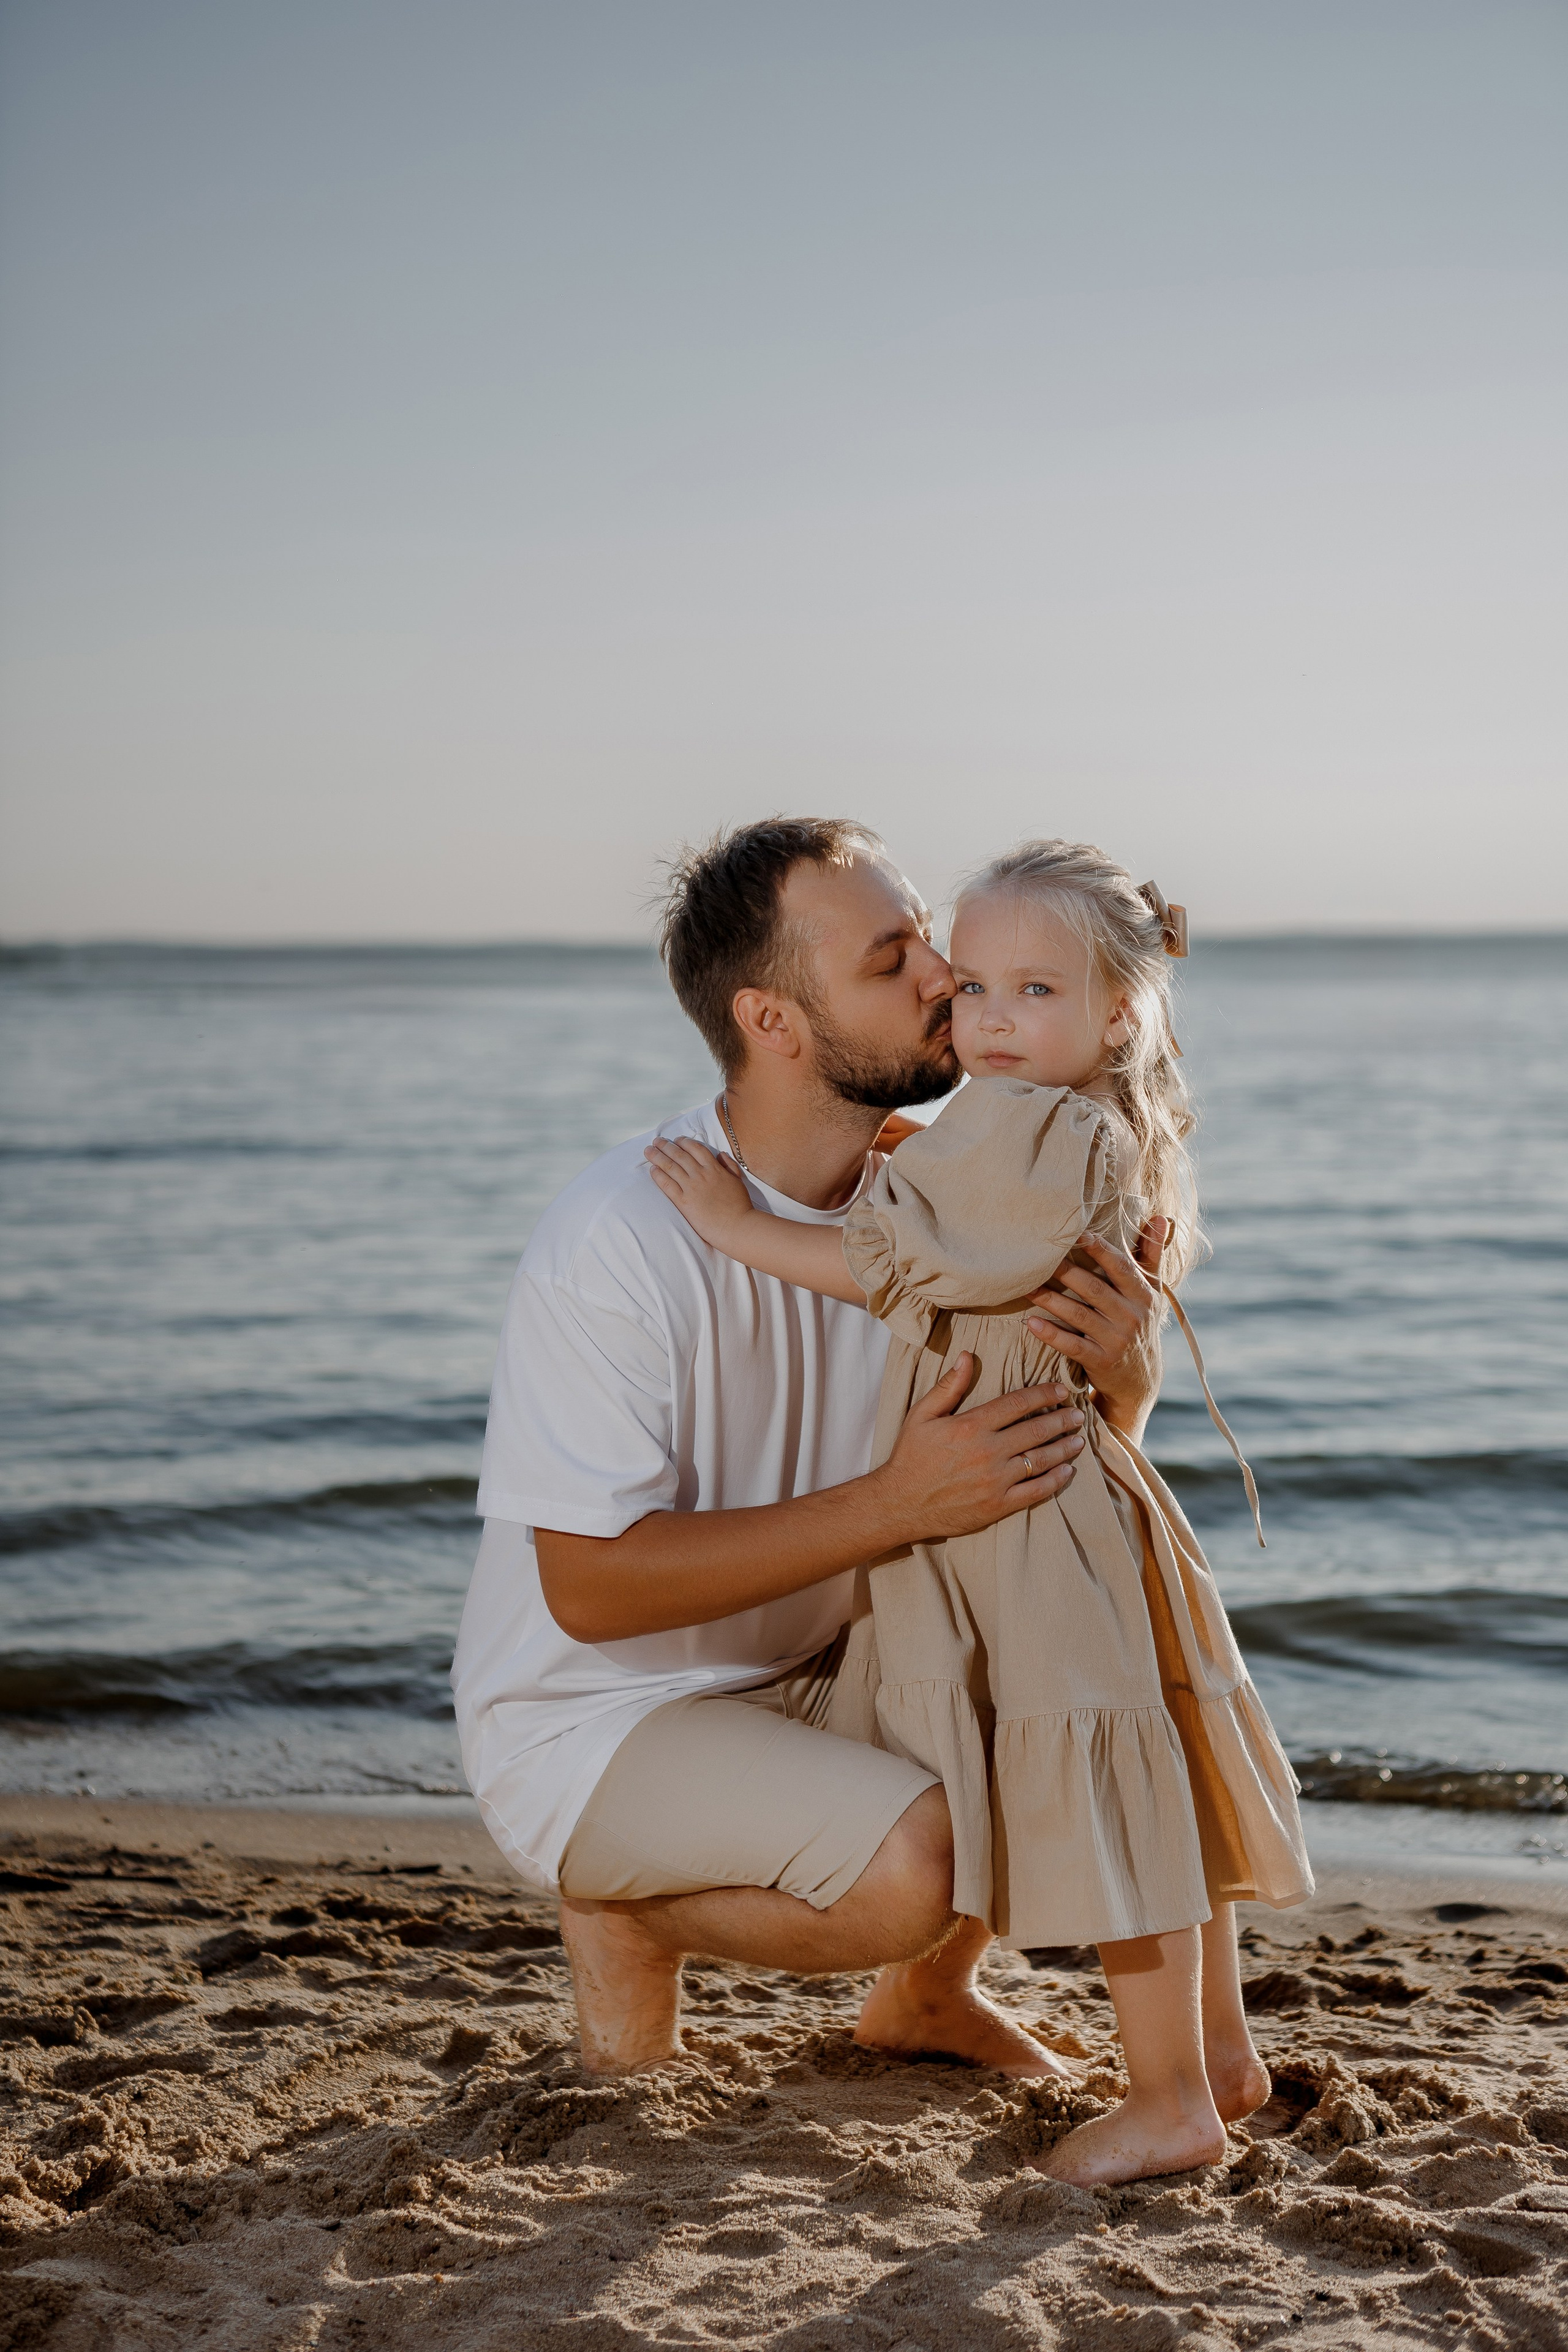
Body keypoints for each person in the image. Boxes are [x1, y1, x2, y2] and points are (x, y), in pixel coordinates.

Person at [451, 816, 1167, 2088]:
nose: (945, 981)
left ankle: (922, 2004)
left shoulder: (946, 1195)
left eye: (927, 946)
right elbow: (589, 1590)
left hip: (821, 1659)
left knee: (1062, 1646)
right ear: (773, 1025)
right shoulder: (623, 1235)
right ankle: (626, 1912)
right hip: (599, 1714)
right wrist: (893, 1504)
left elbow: (1051, 1479)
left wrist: (1126, 1375)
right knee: (914, 1866)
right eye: (892, 960)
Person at [646, 837, 1311, 2185]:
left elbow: (882, 1264)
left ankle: (1170, 2095)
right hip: (1060, 1487)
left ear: (1115, 1011)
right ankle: (1220, 2061)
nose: (989, 1018)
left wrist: (735, 1228)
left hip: (1021, 1513)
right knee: (1153, 1779)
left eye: (1034, 993)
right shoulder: (1054, 1125)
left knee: (1112, 1794)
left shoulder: (1030, 1129)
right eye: (976, 986)